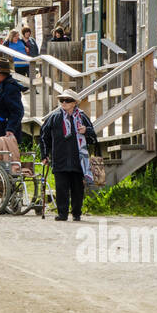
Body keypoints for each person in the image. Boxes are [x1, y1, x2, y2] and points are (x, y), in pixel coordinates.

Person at [39, 89, 97, 221]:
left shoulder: (82, 117)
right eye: (62, 100)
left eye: (68, 100)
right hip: (60, 158)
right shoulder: (54, 117)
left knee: (78, 189)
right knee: (61, 188)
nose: (64, 102)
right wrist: (44, 155)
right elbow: (43, 137)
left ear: (75, 103)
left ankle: (76, 214)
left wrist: (86, 131)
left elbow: (94, 138)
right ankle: (62, 214)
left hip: (78, 160)